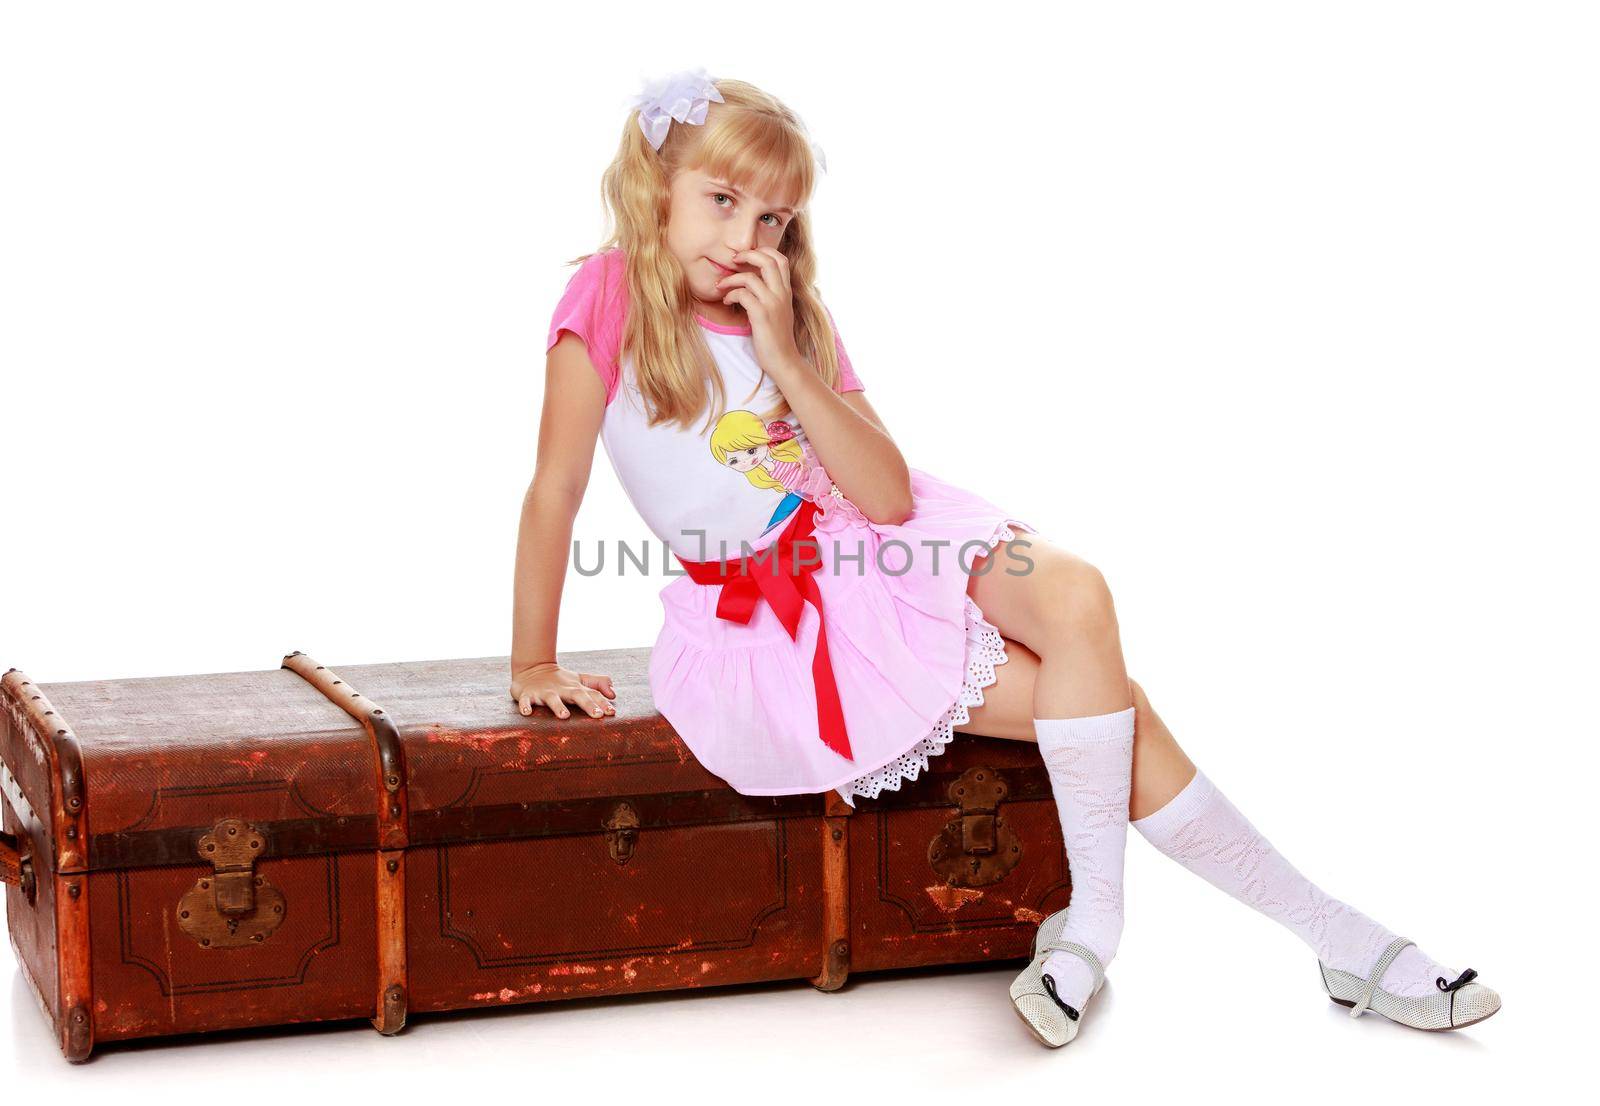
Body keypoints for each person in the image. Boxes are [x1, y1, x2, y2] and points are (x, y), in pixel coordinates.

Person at [509, 68, 1500, 1047]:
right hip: (779, 615)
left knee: (1076, 595)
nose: (746, 238)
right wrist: (532, 662)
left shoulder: (795, 321)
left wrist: (786, 360)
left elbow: (888, 495)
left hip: (882, 541)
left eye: (773, 219)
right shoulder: (605, 297)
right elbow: (555, 487)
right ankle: (1313, 936)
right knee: (1121, 706)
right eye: (721, 202)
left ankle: (1102, 933)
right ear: (657, 189)